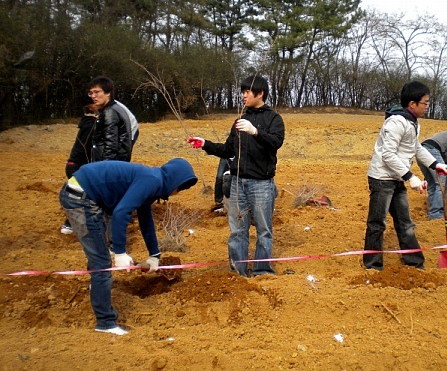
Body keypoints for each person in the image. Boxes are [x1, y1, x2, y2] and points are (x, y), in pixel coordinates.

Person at [59, 158, 198, 335]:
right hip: (80, 197)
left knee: (99, 256)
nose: (176, 193)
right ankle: (105, 323)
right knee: (101, 261)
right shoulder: (152, 181)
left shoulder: (153, 179)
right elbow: (121, 213)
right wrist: (119, 252)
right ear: (175, 181)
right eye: (180, 188)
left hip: (84, 193)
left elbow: (145, 219)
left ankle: (98, 288)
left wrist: (154, 254)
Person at [187, 75, 284, 277]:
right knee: (237, 230)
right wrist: (205, 144)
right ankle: (238, 272)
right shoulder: (240, 121)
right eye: (243, 92)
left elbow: (276, 142)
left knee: (264, 230)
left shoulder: (274, 119)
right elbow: (228, 150)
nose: (243, 96)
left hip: (262, 185)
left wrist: (256, 132)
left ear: (260, 93)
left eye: (247, 92)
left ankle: (262, 270)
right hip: (238, 184)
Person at [363, 81, 447, 271]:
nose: (427, 106)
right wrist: (410, 177)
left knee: (405, 223)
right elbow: (387, 155)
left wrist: (435, 164)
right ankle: (372, 266)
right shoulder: (396, 123)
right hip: (382, 179)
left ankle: (414, 262)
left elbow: (416, 147)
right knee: (377, 223)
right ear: (412, 104)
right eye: (425, 103)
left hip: (397, 178)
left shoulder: (412, 122)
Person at [60, 92, 99, 235]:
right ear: (90, 107)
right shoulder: (91, 125)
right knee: (82, 197)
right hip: (77, 167)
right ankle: (69, 225)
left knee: (84, 196)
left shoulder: (86, 123)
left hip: (74, 165)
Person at [89, 76, 137, 162]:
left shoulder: (110, 112)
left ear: (108, 93)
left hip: (109, 164)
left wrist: (104, 166)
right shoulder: (116, 108)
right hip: (118, 163)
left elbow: (110, 145)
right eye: (91, 93)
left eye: (96, 92)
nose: (93, 96)